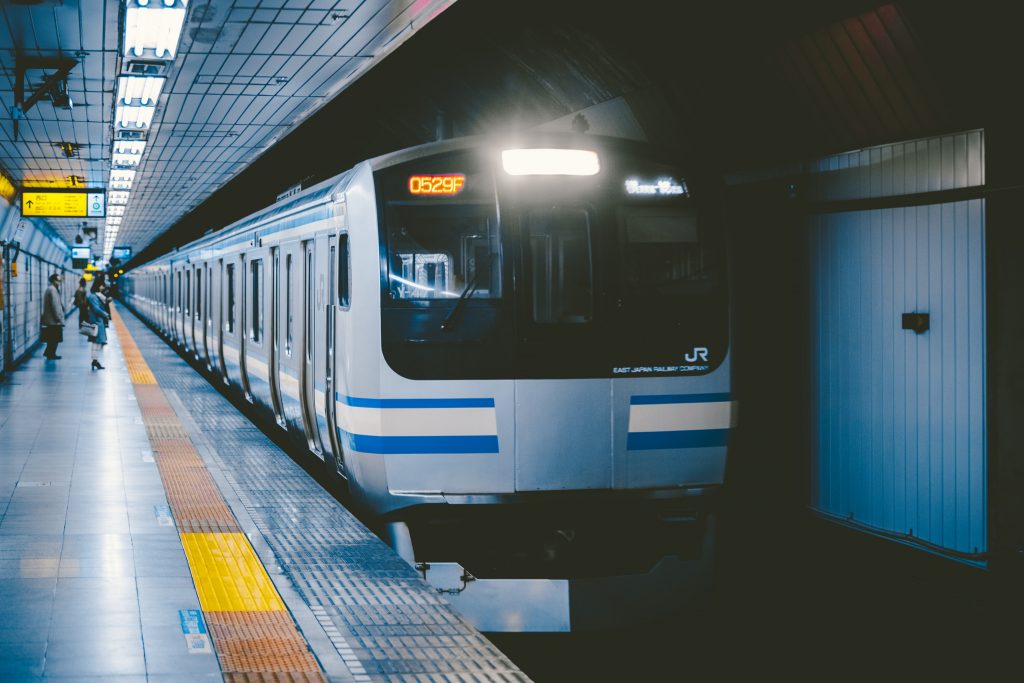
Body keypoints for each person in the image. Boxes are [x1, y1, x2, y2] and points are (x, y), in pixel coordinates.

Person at [86, 280, 111, 370]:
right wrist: (105, 314)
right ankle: (94, 361)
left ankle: (95, 361)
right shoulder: (93, 297)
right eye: (101, 286)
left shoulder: (96, 296)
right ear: (98, 286)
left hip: (98, 321)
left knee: (97, 342)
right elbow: (96, 309)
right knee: (96, 342)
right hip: (96, 322)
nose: (103, 288)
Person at [40, 273, 66, 360]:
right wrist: (59, 318)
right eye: (57, 281)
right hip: (53, 320)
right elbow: (55, 306)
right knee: (54, 338)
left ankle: (49, 353)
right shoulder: (53, 290)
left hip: (50, 319)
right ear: (53, 281)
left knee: (51, 338)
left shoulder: (50, 289)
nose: (59, 282)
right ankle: (51, 354)